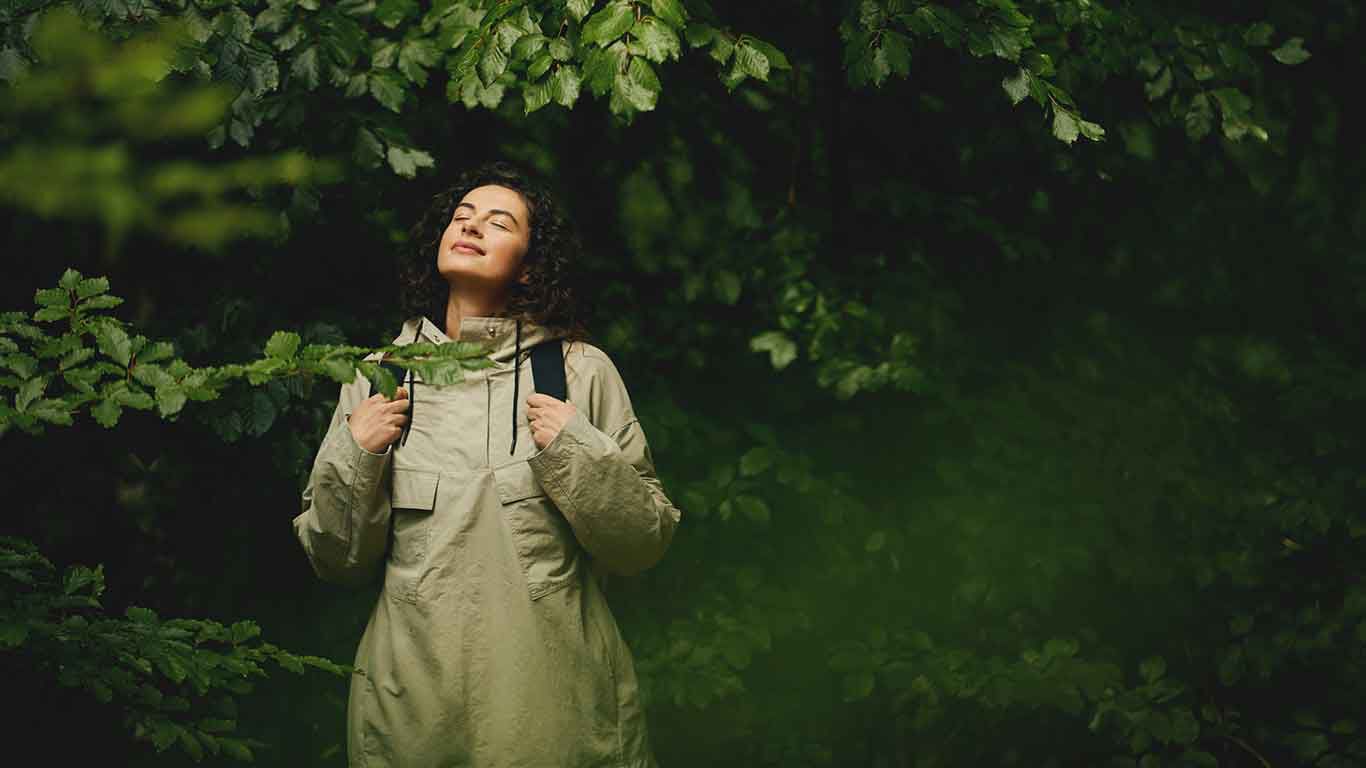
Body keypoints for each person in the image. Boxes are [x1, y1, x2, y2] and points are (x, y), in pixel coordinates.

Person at [292, 160, 682, 767]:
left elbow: (642, 545)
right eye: (461, 216)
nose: (471, 227)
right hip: (411, 720)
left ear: (530, 265)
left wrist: (575, 449)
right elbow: (335, 561)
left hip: (554, 714)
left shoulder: (578, 372)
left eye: (498, 222)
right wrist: (356, 452)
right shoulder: (379, 378)